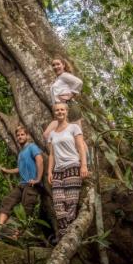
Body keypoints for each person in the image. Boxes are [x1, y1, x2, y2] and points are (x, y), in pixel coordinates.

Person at [47, 102, 88, 238]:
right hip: (58, 172)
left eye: (62, 109)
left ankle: (68, 238)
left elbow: (81, 147)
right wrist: (49, 171)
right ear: (54, 113)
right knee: (58, 204)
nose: (60, 112)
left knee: (71, 204)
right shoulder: (52, 134)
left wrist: (84, 165)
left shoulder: (74, 128)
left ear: (66, 111)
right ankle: (65, 234)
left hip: (73, 168)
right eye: (57, 110)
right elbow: (51, 155)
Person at [0, 125, 44, 225]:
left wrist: (38, 179)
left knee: (27, 208)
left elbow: (40, 160)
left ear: (27, 136)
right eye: (18, 135)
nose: (20, 137)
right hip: (22, 184)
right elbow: (19, 169)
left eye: (22, 134)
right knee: (8, 201)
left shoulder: (32, 147)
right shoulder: (20, 153)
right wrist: (6, 171)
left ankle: (19, 235)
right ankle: (0, 225)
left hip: (31, 184)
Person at [43, 56, 83, 143]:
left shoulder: (64, 76)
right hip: (61, 110)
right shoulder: (59, 78)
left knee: (78, 138)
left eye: (58, 64)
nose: (56, 67)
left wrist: (71, 95)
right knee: (49, 135)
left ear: (63, 65)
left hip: (70, 107)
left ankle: (86, 157)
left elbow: (79, 82)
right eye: (53, 65)